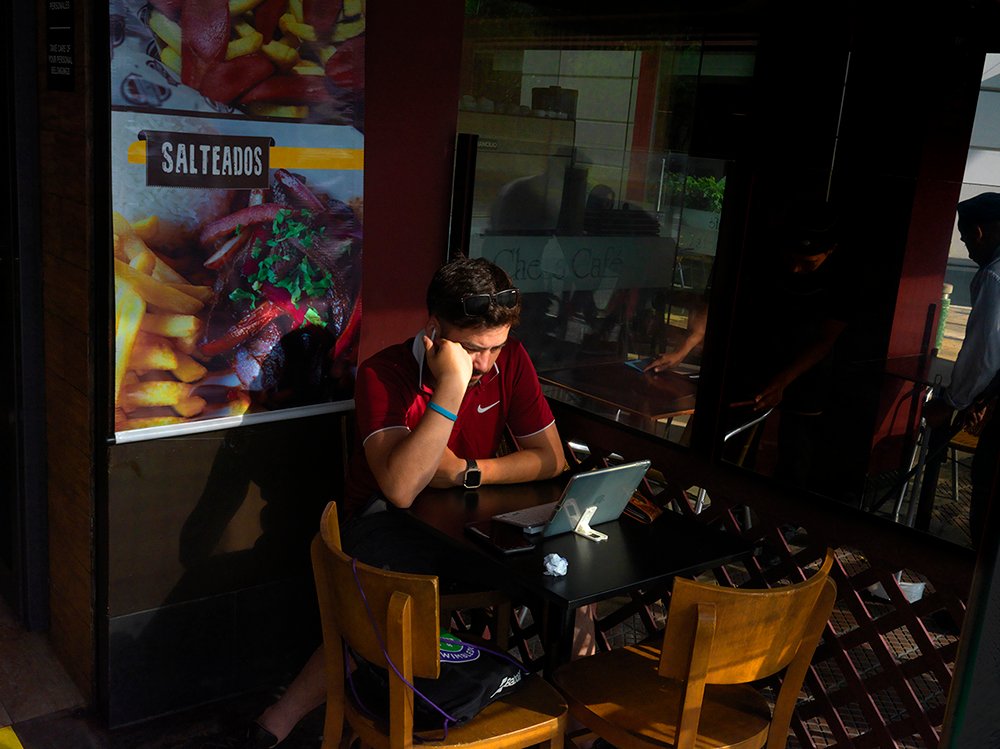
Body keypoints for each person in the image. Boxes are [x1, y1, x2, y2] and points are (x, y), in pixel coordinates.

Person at [211, 257, 574, 749]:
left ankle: (579, 723)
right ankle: (282, 721)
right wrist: (451, 386)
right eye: (472, 349)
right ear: (434, 331)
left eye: (496, 347)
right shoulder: (384, 374)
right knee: (385, 606)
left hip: (468, 523)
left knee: (568, 578)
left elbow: (552, 458)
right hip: (382, 523)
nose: (486, 363)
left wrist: (465, 472)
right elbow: (401, 488)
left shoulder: (510, 360)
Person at [922, 192, 1000, 546]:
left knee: (988, 509)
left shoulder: (994, 276)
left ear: (979, 232)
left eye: (966, 240)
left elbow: (984, 355)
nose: (967, 250)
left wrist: (952, 402)